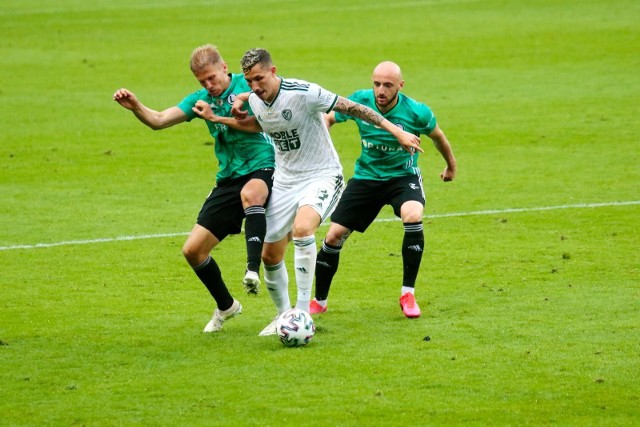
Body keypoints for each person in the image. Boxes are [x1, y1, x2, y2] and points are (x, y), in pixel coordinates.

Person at [193, 48, 423, 336]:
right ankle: (284, 316)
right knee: (269, 254)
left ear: (273, 71)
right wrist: (220, 119)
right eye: (249, 81)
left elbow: (354, 108)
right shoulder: (255, 98)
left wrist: (396, 131)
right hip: (286, 180)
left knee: (303, 229)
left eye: (259, 79)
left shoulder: (304, 92)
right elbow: (257, 124)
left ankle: (303, 313)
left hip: (322, 175)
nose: (254, 86)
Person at [113, 44, 275, 333]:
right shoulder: (200, 99)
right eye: (202, 81)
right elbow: (160, 120)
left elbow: (270, 90)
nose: (208, 85)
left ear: (224, 67)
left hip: (264, 166)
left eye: (212, 78)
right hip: (229, 177)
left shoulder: (246, 82)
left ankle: (252, 270)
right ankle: (227, 306)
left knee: (251, 195)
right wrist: (137, 106)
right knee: (193, 251)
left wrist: (243, 96)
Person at [310, 61, 457, 318]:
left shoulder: (416, 112)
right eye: (377, 83)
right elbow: (330, 118)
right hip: (366, 179)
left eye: (388, 85)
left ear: (400, 85)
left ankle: (407, 294)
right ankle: (319, 302)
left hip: (402, 177)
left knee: (413, 215)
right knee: (333, 237)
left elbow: (438, 137)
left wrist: (450, 166)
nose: (381, 90)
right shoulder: (360, 101)